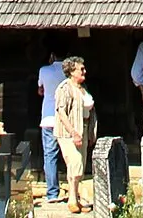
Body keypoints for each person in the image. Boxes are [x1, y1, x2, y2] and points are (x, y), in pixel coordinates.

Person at [52, 57, 96, 214]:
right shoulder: (64, 88)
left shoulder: (83, 87)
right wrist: (73, 133)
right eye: (81, 69)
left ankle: (76, 199)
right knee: (75, 164)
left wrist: (91, 131)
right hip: (68, 132)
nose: (84, 71)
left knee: (81, 165)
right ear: (71, 72)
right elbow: (61, 112)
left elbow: (90, 111)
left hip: (83, 129)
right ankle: (72, 198)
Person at [37, 51, 67, 203]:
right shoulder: (70, 71)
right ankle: (74, 188)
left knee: (50, 155)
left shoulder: (44, 70)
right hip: (67, 120)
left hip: (49, 117)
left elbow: (40, 90)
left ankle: (52, 193)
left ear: (52, 55)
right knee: (70, 154)